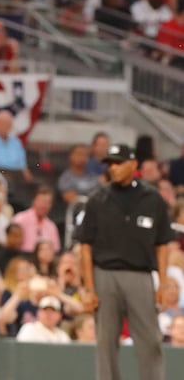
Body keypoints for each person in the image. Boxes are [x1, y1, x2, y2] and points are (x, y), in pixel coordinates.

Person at [76, 143, 174, 380]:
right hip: (104, 274)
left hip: (140, 275)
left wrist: (162, 282)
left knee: (150, 340)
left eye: (118, 162)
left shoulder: (153, 199)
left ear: (133, 165)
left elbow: (162, 244)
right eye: (110, 164)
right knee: (106, 342)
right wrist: (88, 288)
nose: (113, 168)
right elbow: (85, 246)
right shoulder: (97, 199)